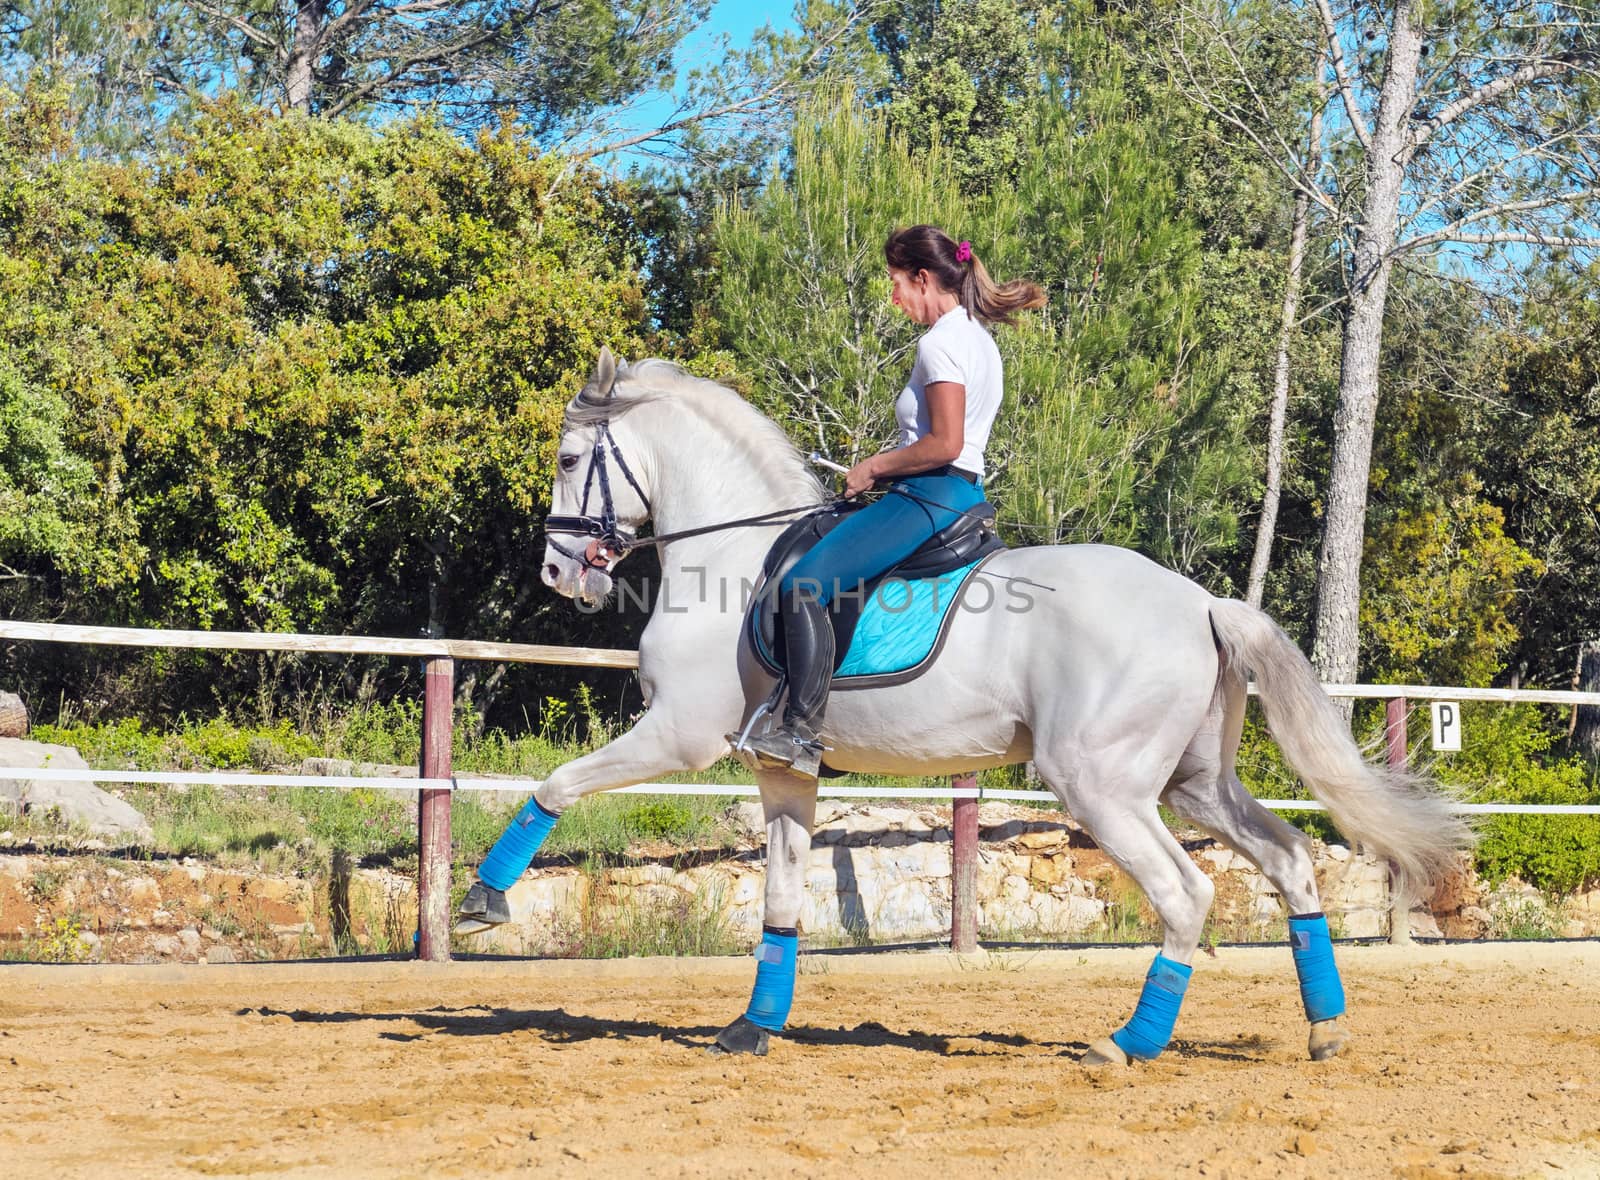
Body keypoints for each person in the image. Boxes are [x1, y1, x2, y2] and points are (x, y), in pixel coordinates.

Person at [743, 225, 1046, 771]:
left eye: (896, 284)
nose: (895, 298)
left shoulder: (941, 343)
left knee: (802, 585)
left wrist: (873, 466)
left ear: (923, 278)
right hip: (959, 493)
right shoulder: (979, 338)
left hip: (930, 495)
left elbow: (945, 443)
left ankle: (801, 734)